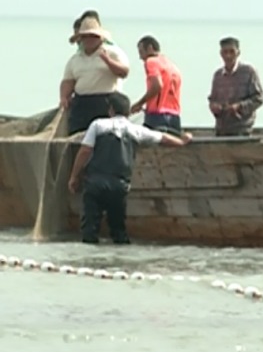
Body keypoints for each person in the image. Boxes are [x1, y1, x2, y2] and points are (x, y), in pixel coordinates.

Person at [68, 92, 193, 244]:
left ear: (111, 110)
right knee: (118, 230)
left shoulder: (98, 125)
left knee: (90, 229)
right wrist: (182, 142)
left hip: (96, 182)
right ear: (127, 112)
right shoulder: (135, 130)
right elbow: (162, 137)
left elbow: (85, 151)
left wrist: (74, 176)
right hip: (119, 185)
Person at [60, 17, 130, 135]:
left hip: (106, 102)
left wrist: (107, 60)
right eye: (85, 36)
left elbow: (124, 72)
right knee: (78, 136)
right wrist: (63, 97)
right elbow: (68, 81)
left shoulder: (113, 52)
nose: (89, 40)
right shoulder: (75, 59)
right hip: (82, 103)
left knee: (104, 138)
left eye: (93, 36)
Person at [208, 37, 263, 136]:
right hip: (222, 130)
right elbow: (212, 99)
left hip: (243, 131)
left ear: (238, 53)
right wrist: (214, 107)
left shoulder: (248, 72)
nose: (228, 56)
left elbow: (259, 98)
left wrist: (239, 106)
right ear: (221, 54)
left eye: (232, 52)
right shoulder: (218, 75)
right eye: (225, 52)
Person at [130, 35, 183, 135]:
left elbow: (157, 85)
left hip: (157, 115)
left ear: (150, 48)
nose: (140, 57)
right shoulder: (171, 65)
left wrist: (140, 103)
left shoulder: (151, 62)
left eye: (141, 52)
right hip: (174, 115)